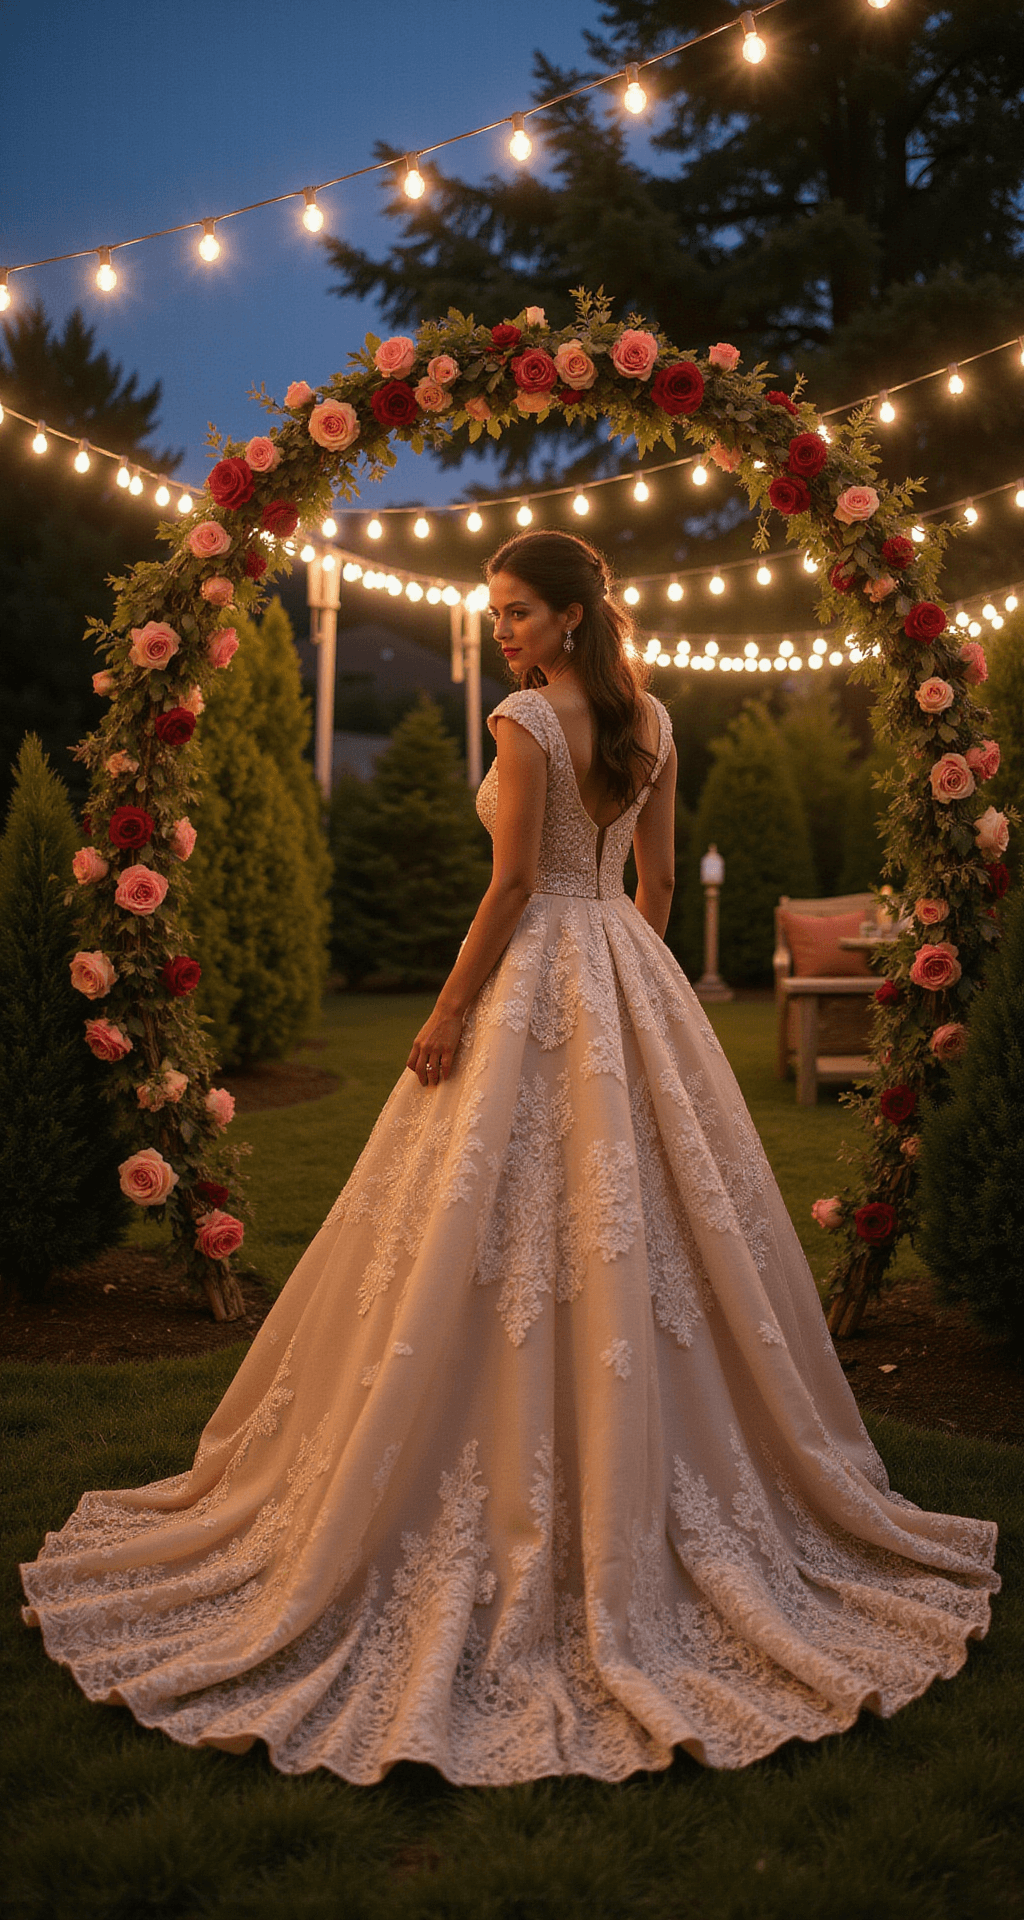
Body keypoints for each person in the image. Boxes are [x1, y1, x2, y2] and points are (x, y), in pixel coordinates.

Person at [21, 531, 998, 1786]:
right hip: (618, 970)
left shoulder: (528, 719)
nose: (504, 630)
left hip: (539, 961)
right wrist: (621, 989)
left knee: (502, 1209)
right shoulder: (651, 719)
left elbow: (508, 888)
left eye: (523, 610)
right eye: (497, 612)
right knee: (630, 1215)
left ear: (578, 613)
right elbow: (647, 888)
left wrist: (445, 1013)